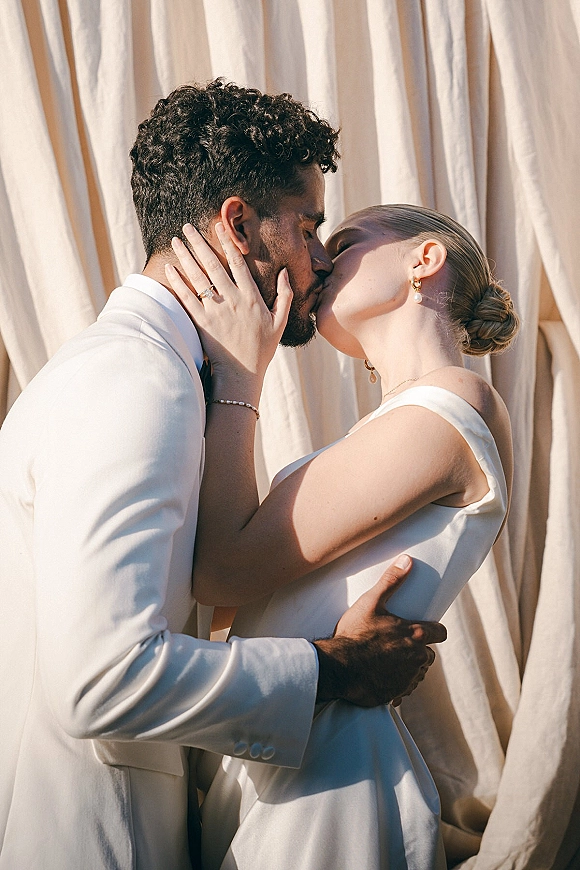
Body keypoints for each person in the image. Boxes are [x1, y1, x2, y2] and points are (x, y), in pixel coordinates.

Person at [0, 81, 446, 870]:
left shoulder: (138, 368)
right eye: (307, 228)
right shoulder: (135, 381)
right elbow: (98, 678)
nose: (318, 260)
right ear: (238, 224)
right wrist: (333, 669)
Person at [164, 202, 519, 869]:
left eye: (347, 241)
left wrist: (242, 372)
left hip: (331, 780)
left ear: (423, 260)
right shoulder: (405, 420)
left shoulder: (453, 406)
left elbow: (224, 569)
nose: (320, 260)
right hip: (293, 748)